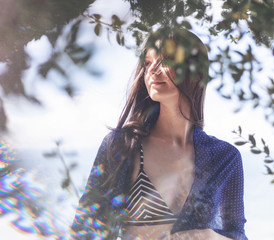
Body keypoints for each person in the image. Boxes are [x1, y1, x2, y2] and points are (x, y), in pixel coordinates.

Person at [70, 27, 247, 240]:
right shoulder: (121, 145)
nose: (152, 70)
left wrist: (206, 235)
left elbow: (237, 234)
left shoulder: (225, 158)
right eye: (147, 63)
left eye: (164, 61)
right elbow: (83, 229)